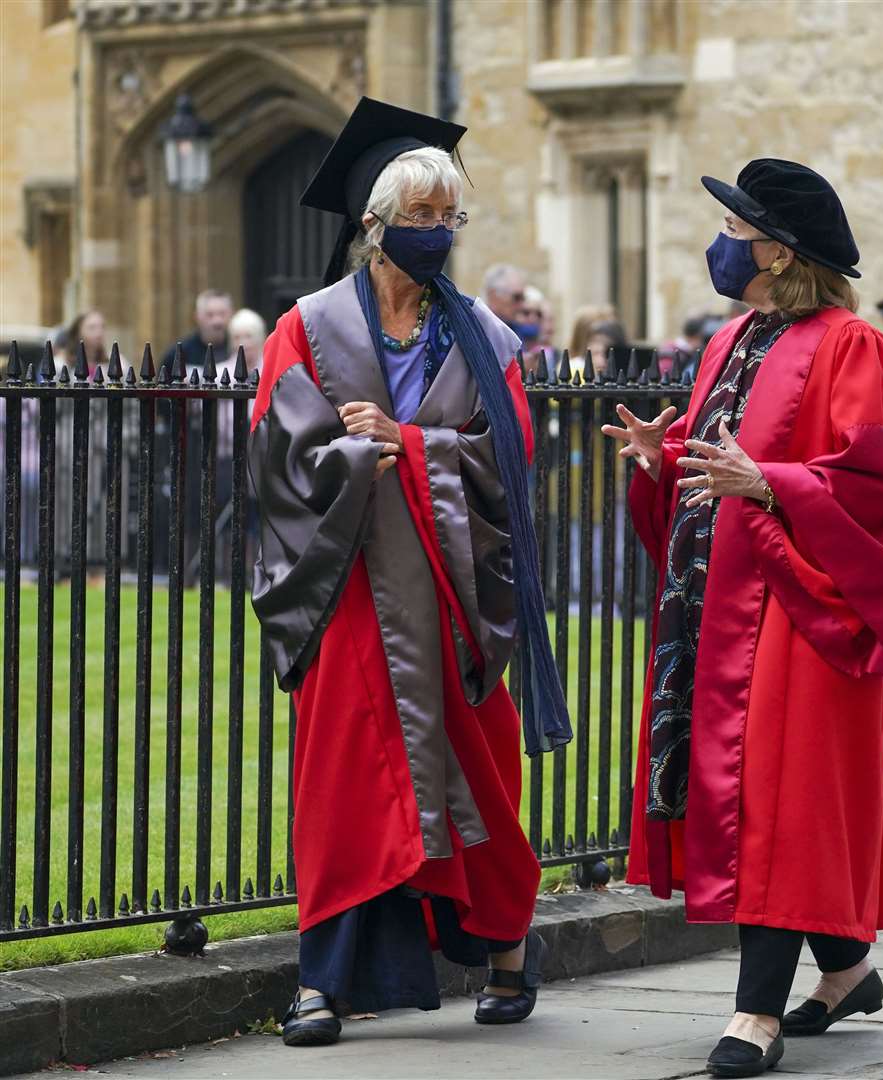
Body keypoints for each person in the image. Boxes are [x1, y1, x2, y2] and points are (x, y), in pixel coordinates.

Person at [249, 97, 571, 1047]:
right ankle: (324, 980)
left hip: (449, 598)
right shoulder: (305, 329)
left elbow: (508, 462)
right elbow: (280, 460)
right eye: (420, 217)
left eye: (448, 217)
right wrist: (355, 462)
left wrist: (412, 443)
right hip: (347, 596)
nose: (436, 234)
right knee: (345, 783)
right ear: (373, 224)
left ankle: (508, 948)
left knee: (477, 776)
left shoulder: (487, 339)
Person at [605, 158, 883, 1078]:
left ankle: (755, 1015)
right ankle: (846, 968)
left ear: (778, 251)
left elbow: (876, 485)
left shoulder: (853, 347)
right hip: (719, 607)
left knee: (779, 806)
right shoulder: (731, 339)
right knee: (746, 796)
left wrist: (771, 484)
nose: (722, 244)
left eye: (736, 231)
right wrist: (659, 461)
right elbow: (719, 460)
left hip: (799, 605)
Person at [164, 289, 232, 375]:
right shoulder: (179, 353)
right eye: (210, 315)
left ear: (231, 314)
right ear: (197, 316)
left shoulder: (238, 349)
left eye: (222, 314)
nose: (217, 321)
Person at [514, 285, 551, 375]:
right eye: (526, 313)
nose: (533, 319)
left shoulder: (553, 356)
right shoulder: (506, 350)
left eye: (538, 314)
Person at [481, 263, 527, 331]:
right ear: (493, 296)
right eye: (517, 297)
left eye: (523, 298)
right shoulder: (475, 328)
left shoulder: (518, 330)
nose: (522, 305)